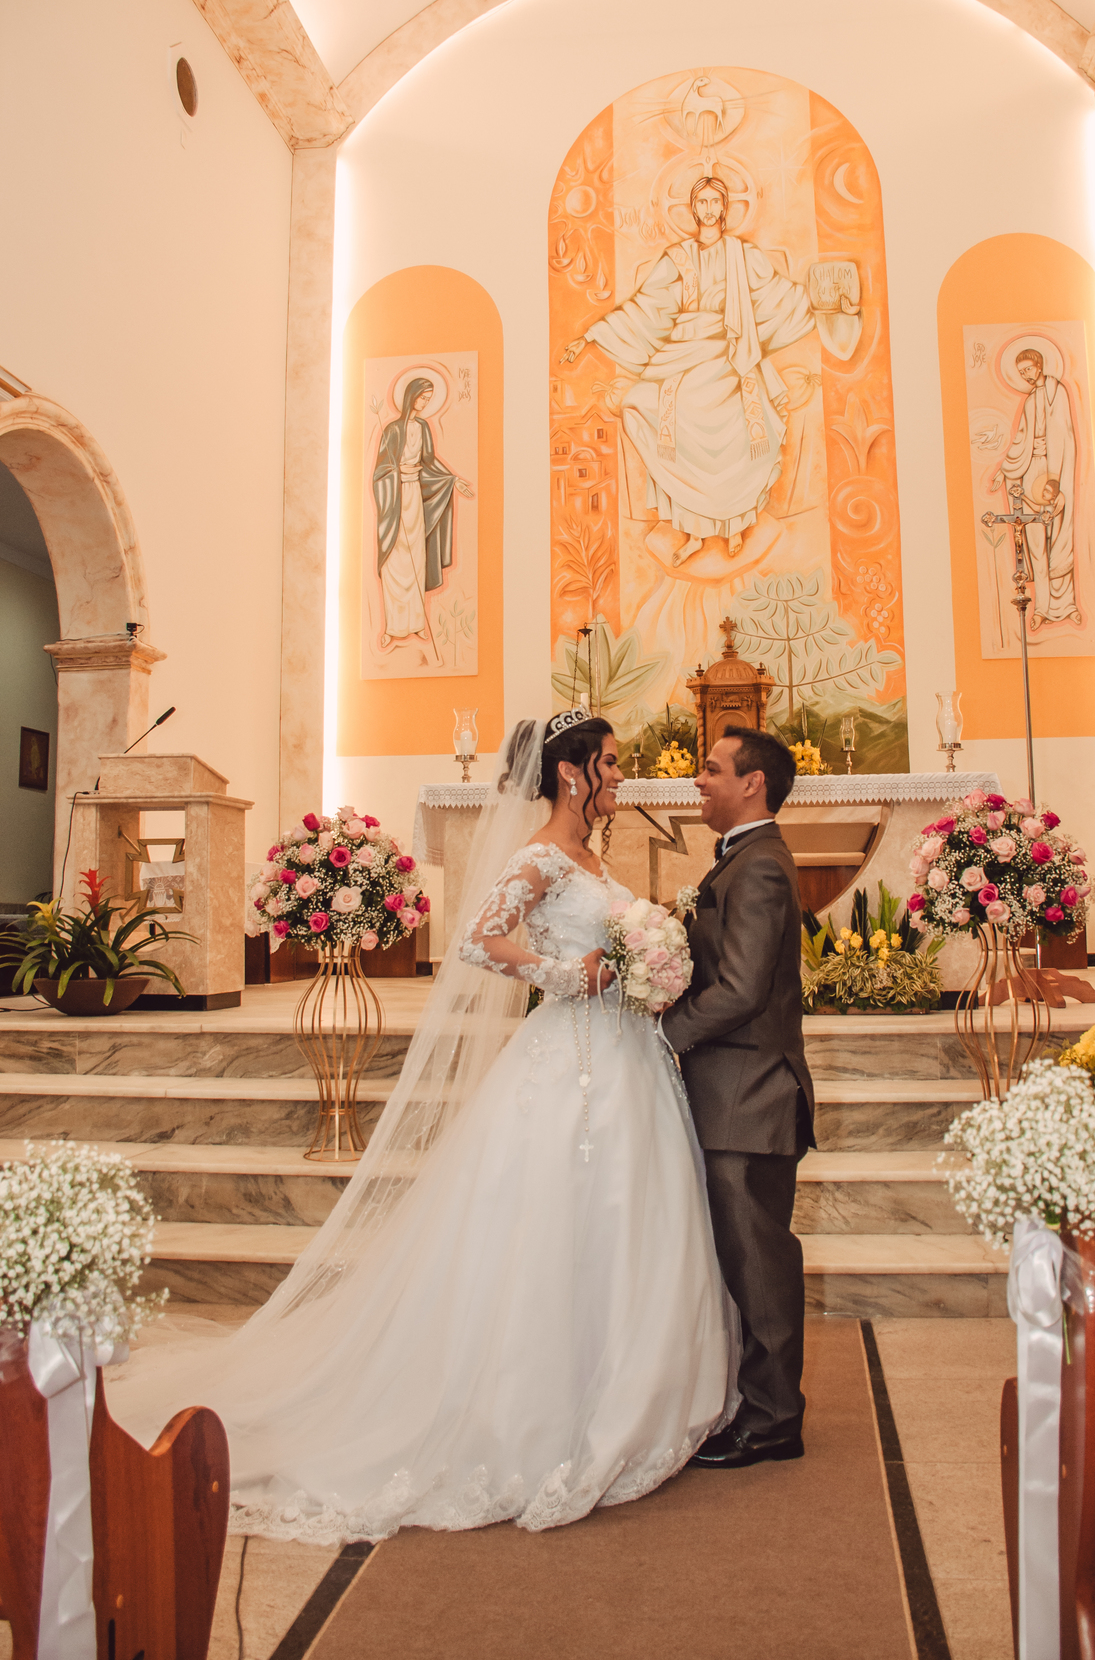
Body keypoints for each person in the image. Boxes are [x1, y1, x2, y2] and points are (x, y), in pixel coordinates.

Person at [107, 712, 735, 1539]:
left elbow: (607, 944)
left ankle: (626, 1389)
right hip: (571, 1056)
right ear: (572, 774)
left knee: (625, 1219)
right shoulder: (540, 854)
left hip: (626, 1062)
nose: (622, 775)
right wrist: (566, 974)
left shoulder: (590, 855)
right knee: (556, 1225)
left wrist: (638, 964)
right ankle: (544, 1407)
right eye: (611, 764)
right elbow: (479, 939)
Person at [561, 174, 860, 566]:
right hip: (683, 358)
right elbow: (646, 308)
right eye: (699, 202)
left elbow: (778, 296)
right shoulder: (678, 259)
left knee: (741, 426)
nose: (707, 208)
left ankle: (735, 526)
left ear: (724, 208)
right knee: (648, 410)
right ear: (692, 208)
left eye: (713, 201)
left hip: (731, 355)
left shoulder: (743, 255)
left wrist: (826, 299)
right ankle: (694, 534)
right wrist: (591, 336)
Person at [661, 726, 813, 1469]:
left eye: (712, 769)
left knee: (759, 1260)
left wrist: (668, 1031)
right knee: (743, 1254)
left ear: (752, 783)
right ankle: (758, 1401)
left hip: (747, 1093)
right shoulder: (745, 859)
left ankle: (775, 1418)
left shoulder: (757, 869)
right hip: (733, 1089)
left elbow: (745, 988)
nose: (700, 781)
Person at [372, 377, 473, 648]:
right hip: (395, 500)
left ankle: (416, 623)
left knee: (415, 556)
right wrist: (397, 476)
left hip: (415, 495)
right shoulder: (392, 430)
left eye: (429, 399)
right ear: (410, 396)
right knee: (396, 561)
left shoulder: (424, 428)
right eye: (422, 397)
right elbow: (380, 471)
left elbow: (429, 461)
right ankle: (392, 627)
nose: (425, 403)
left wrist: (453, 480)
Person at [991, 347, 1080, 630]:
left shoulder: (1059, 392)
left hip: (1056, 471)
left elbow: (1066, 435)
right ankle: (1041, 607)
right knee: (1037, 543)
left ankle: (1066, 605)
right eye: (1021, 373)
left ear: (1039, 365)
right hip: (1030, 474)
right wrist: (1005, 471)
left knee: (1060, 538)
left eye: (1028, 369)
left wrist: (1060, 477)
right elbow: (1020, 440)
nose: (1026, 376)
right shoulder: (1030, 402)